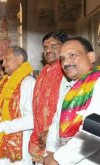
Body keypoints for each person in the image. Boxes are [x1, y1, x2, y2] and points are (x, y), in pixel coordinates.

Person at [44, 37, 100, 165]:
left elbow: (95, 131)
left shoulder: (98, 82)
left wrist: (59, 159)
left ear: (91, 57)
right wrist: (51, 151)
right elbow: (55, 125)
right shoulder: (69, 90)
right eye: (62, 58)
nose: (66, 63)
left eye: (72, 55)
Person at [28, 32, 68, 163]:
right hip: (40, 140)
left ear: (65, 47)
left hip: (59, 142)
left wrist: (51, 135)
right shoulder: (43, 72)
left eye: (54, 46)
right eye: (45, 47)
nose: (48, 50)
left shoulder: (67, 72)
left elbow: (69, 109)